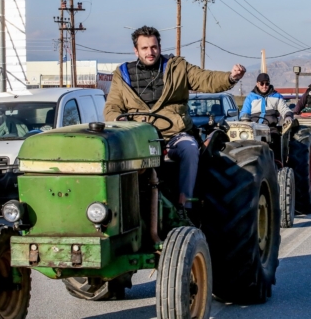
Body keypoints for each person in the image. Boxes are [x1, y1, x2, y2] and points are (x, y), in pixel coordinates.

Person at [103, 25, 246, 220]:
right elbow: (112, 108)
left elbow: (205, 79)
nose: (150, 52)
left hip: (173, 135)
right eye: (144, 48)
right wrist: (120, 122)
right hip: (138, 137)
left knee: (189, 148)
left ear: (159, 47)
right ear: (136, 50)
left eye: (153, 47)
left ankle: (184, 205)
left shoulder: (177, 67)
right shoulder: (122, 74)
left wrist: (230, 77)